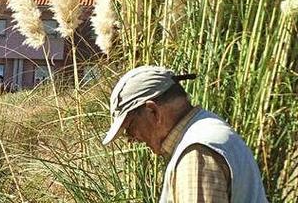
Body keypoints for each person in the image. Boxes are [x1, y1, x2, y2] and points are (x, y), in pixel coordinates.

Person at [102, 65, 268, 203]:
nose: (131, 139)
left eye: (129, 128)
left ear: (153, 112)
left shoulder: (196, 154)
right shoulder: (207, 129)